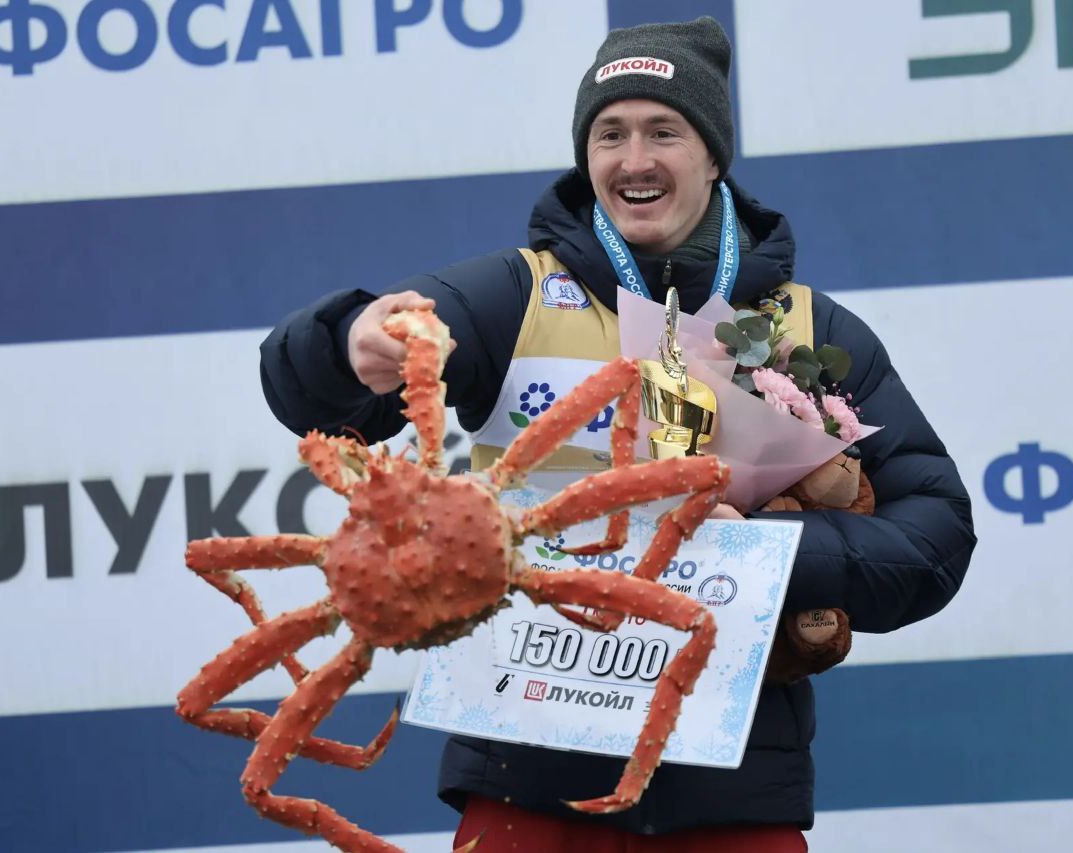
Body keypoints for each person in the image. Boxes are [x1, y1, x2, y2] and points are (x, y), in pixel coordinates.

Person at [260, 16, 977, 853]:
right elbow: (329, 386)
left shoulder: (807, 330)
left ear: (714, 157)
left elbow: (934, 538)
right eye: (610, 134)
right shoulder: (515, 296)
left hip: (733, 789)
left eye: (664, 132)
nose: (634, 159)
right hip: (527, 781)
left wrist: (765, 550)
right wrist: (351, 340)